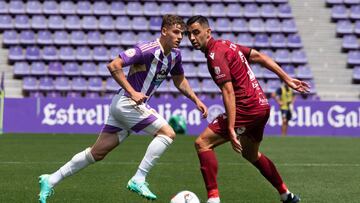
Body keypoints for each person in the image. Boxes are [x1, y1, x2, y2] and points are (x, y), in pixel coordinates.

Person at [38, 15, 208, 203]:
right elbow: (114, 65)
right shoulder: (147, 50)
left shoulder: (175, 56)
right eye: (176, 32)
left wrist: (196, 99)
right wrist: (133, 92)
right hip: (128, 102)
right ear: (164, 31)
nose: (180, 37)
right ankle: (139, 178)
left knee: (97, 153)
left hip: (127, 106)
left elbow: (179, 80)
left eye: (182, 34)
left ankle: (50, 179)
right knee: (167, 133)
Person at [186, 15, 310, 203]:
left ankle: (213, 199)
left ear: (208, 32)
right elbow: (259, 56)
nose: (192, 38)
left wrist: (230, 127)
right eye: (189, 34)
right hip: (261, 106)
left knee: (202, 143)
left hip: (247, 108)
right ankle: (287, 195)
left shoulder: (215, 55)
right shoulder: (228, 45)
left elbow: (228, 92)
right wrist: (286, 78)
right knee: (251, 154)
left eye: (196, 32)